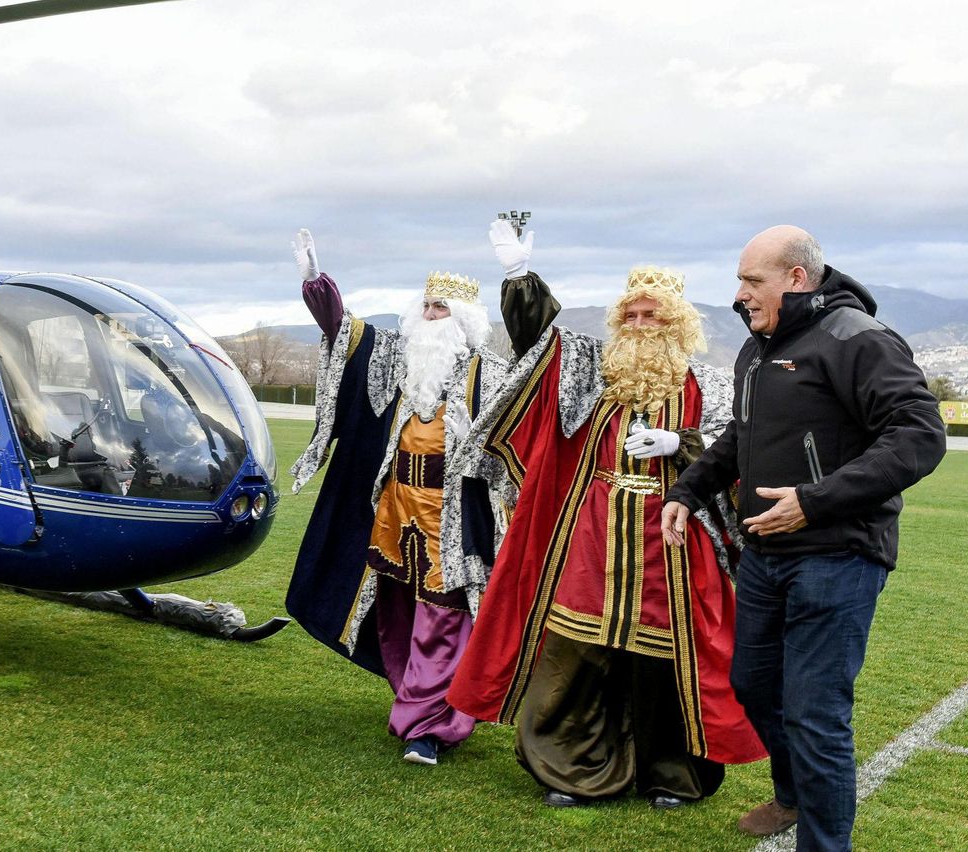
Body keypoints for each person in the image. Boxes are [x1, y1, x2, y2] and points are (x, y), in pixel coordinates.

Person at [446, 221, 765, 809]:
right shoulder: (593, 373)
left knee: (666, 662)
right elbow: (539, 341)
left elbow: (739, 448)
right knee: (575, 656)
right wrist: (520, 278)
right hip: (592, 536)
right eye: (633, 316)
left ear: (679, 325)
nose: (641, 326)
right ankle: (572, 772)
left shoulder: (710, 386)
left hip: (673, 541)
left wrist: (682, 444)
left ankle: (672, 775)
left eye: (655, 317)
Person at [662, 225, 945, 849]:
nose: (739, 294)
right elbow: (743, 435)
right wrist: (689, 489)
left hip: (839, 555)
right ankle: (791, 794)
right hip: (765, 553)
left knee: (816, 712)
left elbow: (920, 434)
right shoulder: (758, 346)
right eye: (739, 279)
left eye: (752, 280)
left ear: (796, 278)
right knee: (753, 685)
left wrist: (814, 502)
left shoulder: (858, 340)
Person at [284, 228, 513, 766]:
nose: (432, 316)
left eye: (443, 309)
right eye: (428, 306)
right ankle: (416, 697)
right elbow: (343, 334)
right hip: (394, 509)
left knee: (442, 616)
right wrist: (317, 283)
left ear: (465, 322)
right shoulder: (397, 359)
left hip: (454, 518)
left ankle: (429, 728)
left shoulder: (493, 375)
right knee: (398, 612)